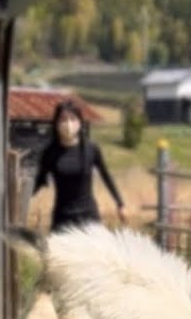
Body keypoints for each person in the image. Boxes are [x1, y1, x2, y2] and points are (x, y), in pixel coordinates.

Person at [32, 99, 125, 233]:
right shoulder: (50, 153)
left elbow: (106, 176)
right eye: (63, 119)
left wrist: (120, 204)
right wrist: (18, 199)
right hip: (62, 219)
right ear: (56, 123)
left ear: (80, 122)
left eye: (72, 119)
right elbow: (39, 182)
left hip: (89, 217)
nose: (68, 124)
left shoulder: (91, 149)